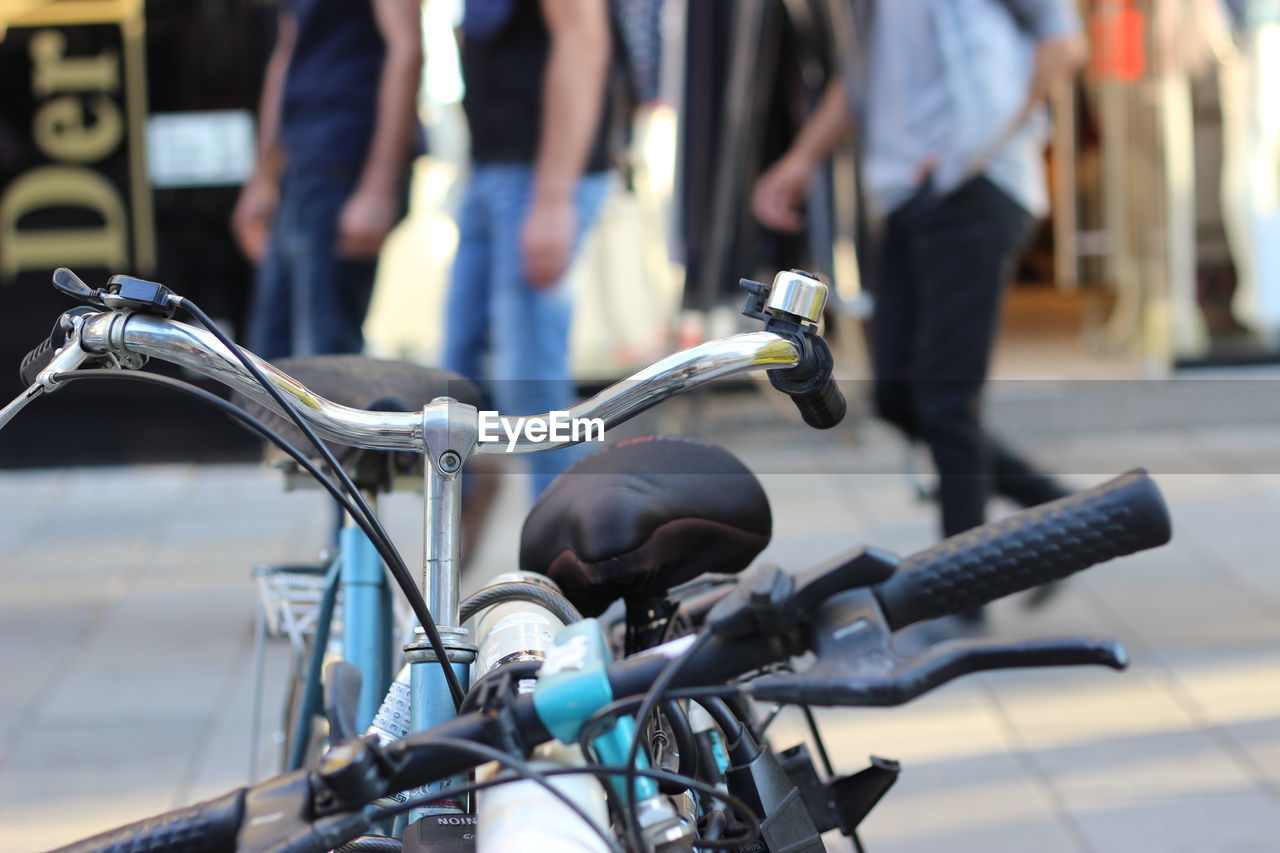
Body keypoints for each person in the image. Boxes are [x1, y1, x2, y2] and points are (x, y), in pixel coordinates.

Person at [753, 1, 1085, 557]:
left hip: (976, 188)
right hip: (908, 194)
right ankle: (1059, 515)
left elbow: (1064, 44)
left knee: (946, 402)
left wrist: (976, 147)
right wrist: (801, 161)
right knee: (896, 396)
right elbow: (862, 80)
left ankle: (964, 589)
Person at [441, 0, 614, 499]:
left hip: (537, 177)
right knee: (454, 388)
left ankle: (582, 556)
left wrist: (554, 197)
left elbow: (584, 42)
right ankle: (453, 554)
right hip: (493, 168)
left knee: (532, 401)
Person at [232, 0, 423, 361]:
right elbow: (287, 52)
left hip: (344, 164)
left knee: (326, 369)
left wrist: (379, 186)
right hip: (297, 168)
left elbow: (407, 48)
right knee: (268, 369)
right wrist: (263, 176)